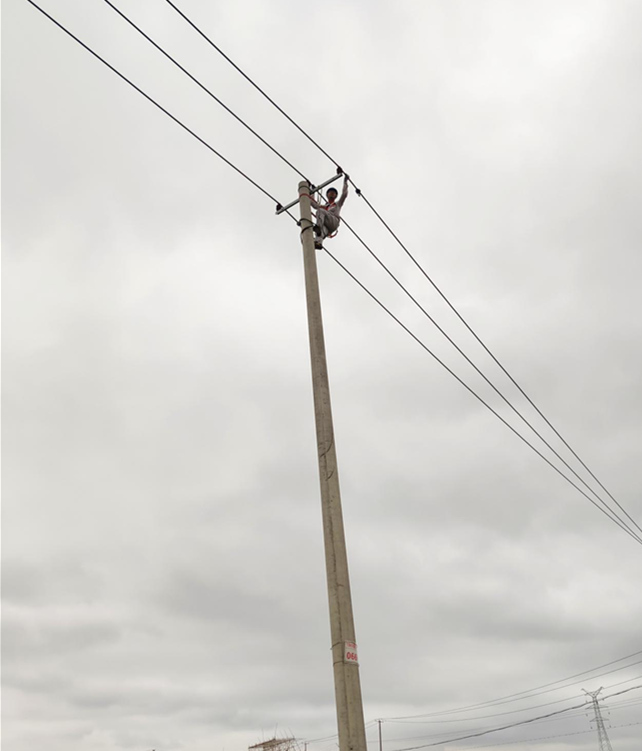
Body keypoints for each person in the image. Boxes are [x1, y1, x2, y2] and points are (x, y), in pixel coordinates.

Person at [310, 175, 349, 249]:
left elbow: (344, 194)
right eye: (330, 192)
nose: (332, 193)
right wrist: (312, 191)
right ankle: (318, 242)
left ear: (336, 196)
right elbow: (313, 204)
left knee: (320, 211)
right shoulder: (325, 206)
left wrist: (345, 182)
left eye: (333, 193)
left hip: (334, 221)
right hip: (327, 226)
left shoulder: (337, 204)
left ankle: (318, 228)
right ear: (327, 195)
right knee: (321, 232)